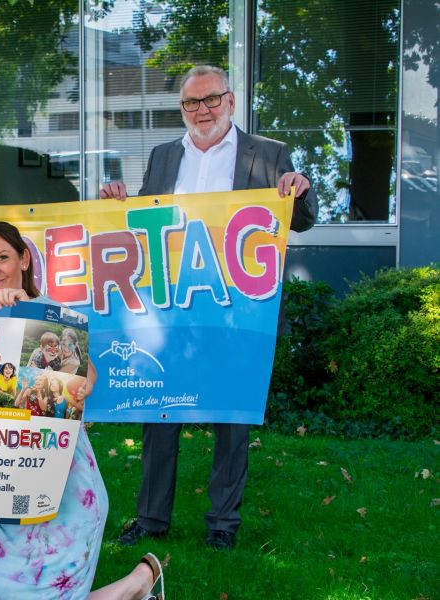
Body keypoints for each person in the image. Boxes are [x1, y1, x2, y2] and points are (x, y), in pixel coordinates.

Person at [100, 64, 318, 551]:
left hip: (238, 311)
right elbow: (144, 225)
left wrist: (300, 188)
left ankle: (223, 523)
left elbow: (300, 220)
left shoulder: (268, 153)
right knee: (160, 416)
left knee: (232, 420)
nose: (202, 110)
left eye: (211, 99)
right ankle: (151, 518)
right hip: (172, 310)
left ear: (230, 101)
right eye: (191, 102)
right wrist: (117, 204)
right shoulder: (162, 155)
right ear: (182, 108)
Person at [0, 219, 164, 600]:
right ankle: (136, 585)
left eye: (2, 257)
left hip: (58, 485)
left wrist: (28, 313)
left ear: (24, 259)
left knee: (46, 591)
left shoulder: (47, 312)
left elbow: (87, 381)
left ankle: (135, 583)